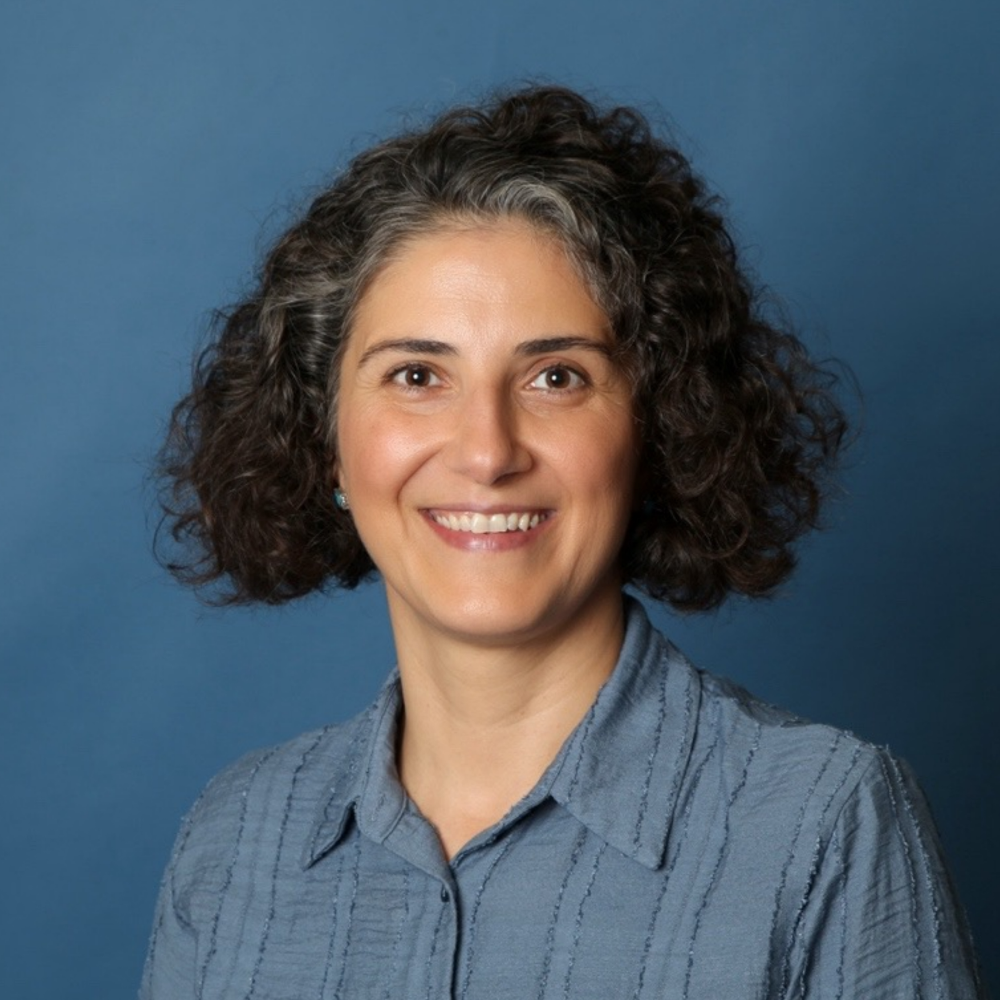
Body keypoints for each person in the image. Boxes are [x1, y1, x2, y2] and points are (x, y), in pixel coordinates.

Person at [141, 85, 986, 998]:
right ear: (325, 437)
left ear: (658, 424)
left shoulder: (823, 822)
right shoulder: (233, 843)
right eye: (417, 375)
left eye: (556, 376)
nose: (487, 451)